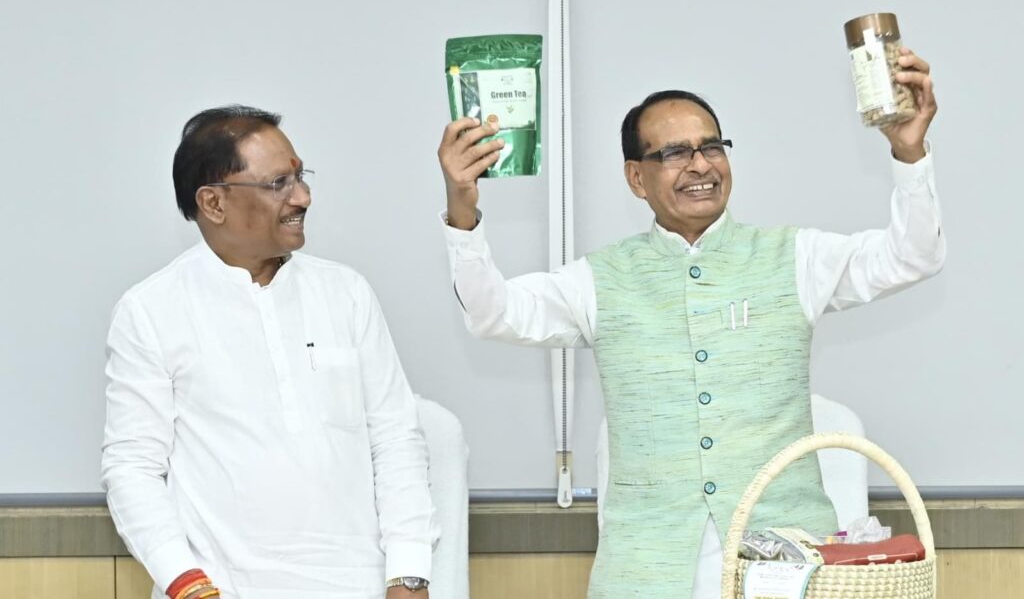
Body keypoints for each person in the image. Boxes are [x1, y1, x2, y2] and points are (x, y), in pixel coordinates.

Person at [437, 50, 944, 599]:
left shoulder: (793, 257)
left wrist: (909, 153)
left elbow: (913, 255)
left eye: (712, 147)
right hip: (644, 576)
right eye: (675, 153)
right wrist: (462, 209)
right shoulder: (600, 280)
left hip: (784, 569)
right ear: (636, 178)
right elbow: (491, 312)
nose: (701, 165)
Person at [101, 106, 437, 599]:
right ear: (213, 203)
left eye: (300, 176)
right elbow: (133, 468)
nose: (303, 196)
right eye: (279, 183)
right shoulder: (151, 310)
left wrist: (408, 573)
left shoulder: (346, 293)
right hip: (219, 589)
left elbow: (395, 438)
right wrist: (187, 584)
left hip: (358, 584)